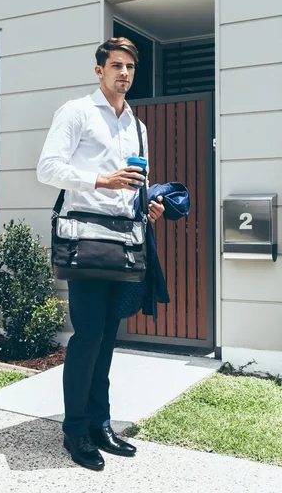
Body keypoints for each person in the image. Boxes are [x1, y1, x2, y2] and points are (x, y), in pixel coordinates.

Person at [37, 38, 165, 471]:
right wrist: (103, 181)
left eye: (130, 66)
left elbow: (133, 184)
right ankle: (75, 430)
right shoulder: (76, 111)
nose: (124, 73)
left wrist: (147, 202)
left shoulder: (138, 125)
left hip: (124, 240)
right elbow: (47, 168)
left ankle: (100, 423)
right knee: (88, 335)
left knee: (109, 338)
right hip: (86, 240)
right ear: (99, 70)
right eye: (116, 65)